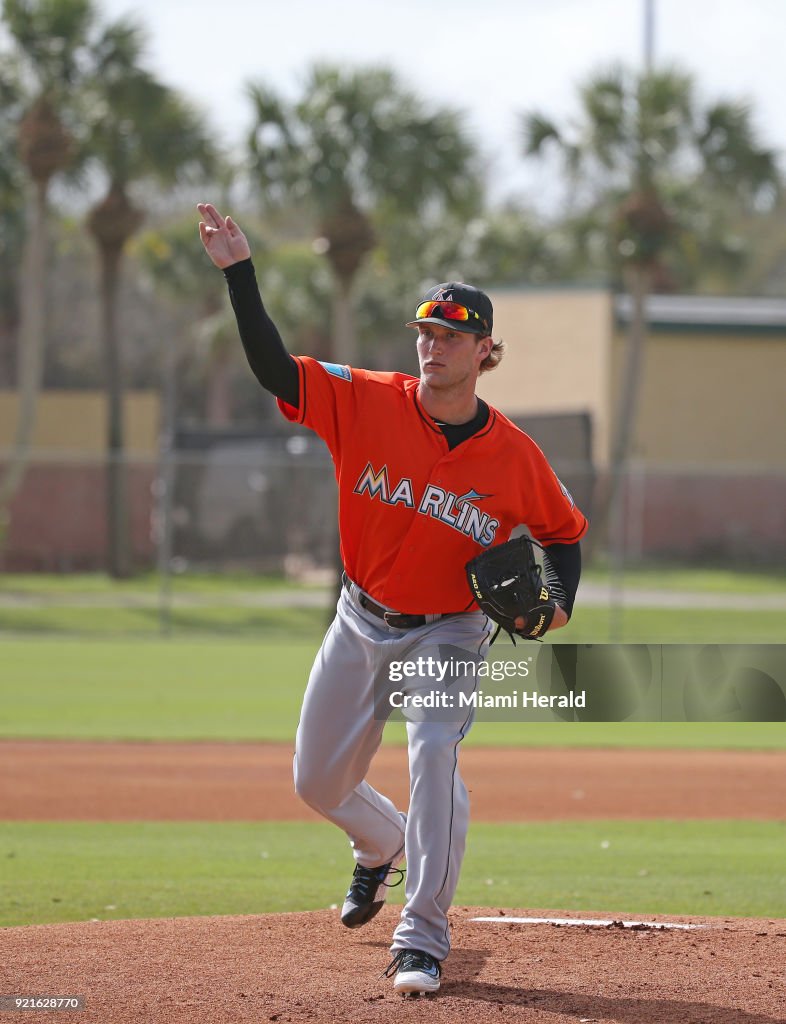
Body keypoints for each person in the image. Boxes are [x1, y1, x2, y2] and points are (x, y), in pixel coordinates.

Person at [197, 202, 588, 996]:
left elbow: (565, 536)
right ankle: (380, 848)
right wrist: (240, 273)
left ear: (485, 351)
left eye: (451, 335)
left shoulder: (516, 456)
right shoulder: (365, 400)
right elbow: (277, 370)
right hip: (360, 617)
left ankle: (422, 939)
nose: (433, 345)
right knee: (316, 782)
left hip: (449, 630)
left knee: (433, 751)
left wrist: (556, 608)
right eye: (426, 332)